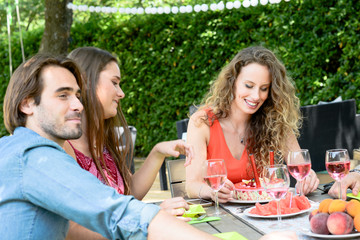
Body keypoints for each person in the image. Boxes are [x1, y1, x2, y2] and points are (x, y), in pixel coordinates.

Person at [0, 54, 218, 240]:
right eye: (62, 95)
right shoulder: (36, 158)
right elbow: (116, 213)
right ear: (27, 103)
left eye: (77, 95)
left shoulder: (13, 148)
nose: (78, 105)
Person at [63, 47, 195, 239]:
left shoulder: (102, 142)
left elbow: (129, 192)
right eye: (114, 83)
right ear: (86, 82)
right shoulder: (64, 148)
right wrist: (150, 218)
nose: (121, 93)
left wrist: (157, 153)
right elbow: (72, 229)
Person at [185, 46, 320, 203]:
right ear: (232, 82)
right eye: (249, 86)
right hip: (220, 216)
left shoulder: (274, 120)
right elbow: (192, 185)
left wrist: (309, 177)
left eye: (264, 89)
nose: (256, 96)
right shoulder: (202, 123)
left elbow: (300, 165)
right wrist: (211, 191)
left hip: (263, 211)